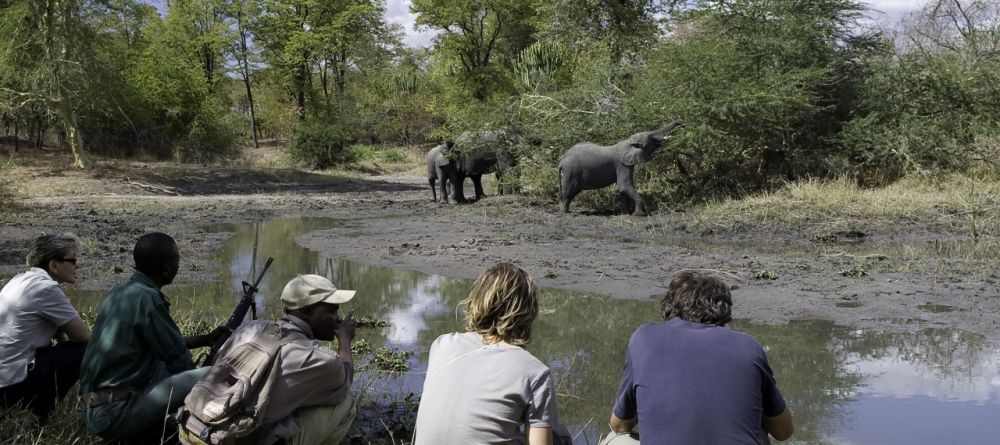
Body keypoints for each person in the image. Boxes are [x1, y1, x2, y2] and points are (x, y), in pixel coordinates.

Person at [608, 271, 794, 444]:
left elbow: (619, 424)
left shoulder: (643, 339)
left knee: (617, 439)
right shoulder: (748, 346)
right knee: (758, 427)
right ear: (724, 312)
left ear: (669, 307)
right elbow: (783, 431)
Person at [79, 232, 225, 443]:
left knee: (161, 365)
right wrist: (199, 379)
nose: (178, 266)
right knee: (215, 374)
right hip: (116, 414)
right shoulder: (149, 299)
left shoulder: (118, 292)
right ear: (166, 269)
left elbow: (162, 343)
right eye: (177, 262)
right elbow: (179, 360)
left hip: (94, 410)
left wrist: (205, 339)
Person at [413, 262, 571, 445]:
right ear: (528, 311)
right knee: (559, 435)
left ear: (476, 300)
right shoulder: (535, 372)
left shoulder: (442, 344)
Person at [0, 232, 91, 423]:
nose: (77, 265)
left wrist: (60, 334)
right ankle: (40, 411)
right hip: (10, 385)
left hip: (4, 378)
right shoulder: (46, 289)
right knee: (87, 350)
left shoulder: (19, 280)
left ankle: (33, 408)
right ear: (54, 265)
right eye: (72, 260)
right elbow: (84, 337)